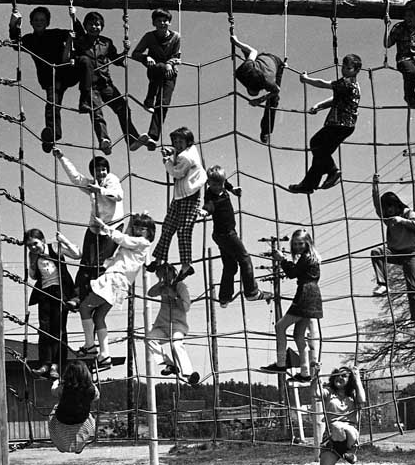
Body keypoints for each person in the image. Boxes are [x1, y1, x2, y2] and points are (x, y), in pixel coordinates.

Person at [77, 213, 156, 369]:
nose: (139, 230)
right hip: (121, 285)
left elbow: (122, 239)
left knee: (84, 308)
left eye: (143, 228)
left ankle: (90, 345)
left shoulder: (142, 242)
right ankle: (104, 355)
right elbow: (125, 239)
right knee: (99, 317)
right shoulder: (136, 244)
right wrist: (130, 223)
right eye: (137, 227)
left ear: (149, 232)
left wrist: (104, 227)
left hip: (115, 280)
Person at [51, 148, 124, 308]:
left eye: (103, 169)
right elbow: (76, 178)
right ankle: (77, 297)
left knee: (100, 263)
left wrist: (101, 191)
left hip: (112, 226)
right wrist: (62, 157)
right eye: (97, 170)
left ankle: (95, 294)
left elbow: (119, 195)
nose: (101, 173)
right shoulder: (92, 184)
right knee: (86, 262)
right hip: (95, 226)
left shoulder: (112, 180)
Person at [9, 6, 83, 149]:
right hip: (49, 79)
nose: (39, 23)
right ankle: (51, 135)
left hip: (66, 72)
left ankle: (54, 133)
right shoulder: (29, 40)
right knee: (52, 104)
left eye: (42, 20)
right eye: (36, 20)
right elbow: (15, 44)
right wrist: (13, 25)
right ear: (31, 22)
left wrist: (74, 18)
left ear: (47, 23)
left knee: (53, 102)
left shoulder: (55, 34)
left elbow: (79, 34)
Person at [289, 54, 362, 194]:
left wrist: (306, 79)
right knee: (321, 155)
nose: (344, 70)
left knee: (315, 143)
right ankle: (308, 185)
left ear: (357, 70)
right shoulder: (355, 85)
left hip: (339, 124)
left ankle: (333, 171)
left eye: (348, 68)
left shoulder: (345, 83)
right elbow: (335, 99)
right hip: (347, 126)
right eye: (343, 67)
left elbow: (323, 84)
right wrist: (319, 106)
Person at [201, 165, 272, 308]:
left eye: (220, 184)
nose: (218, 188)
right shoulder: (210, 195)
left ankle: (224, 297)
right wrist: (205, 211)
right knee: (245, 259)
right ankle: (251, 292)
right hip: (227, 235)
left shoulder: (223, 186)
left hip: (221, 235)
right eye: (214, 185)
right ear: (208, 183)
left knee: (230, 266)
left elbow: (226, 184)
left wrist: (232, 189)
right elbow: (209, 205)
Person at [260, 229, 322, 383]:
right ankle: (305, 372)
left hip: (305, 295)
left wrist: (282, 260)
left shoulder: (307, 258)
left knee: (280, 327)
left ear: (307, 243)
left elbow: (293, 273)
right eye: (295, 244)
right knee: (298, 335)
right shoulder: (311, 258)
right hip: (313, 296)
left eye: (300, 243)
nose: (298, 247)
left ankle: (281, 363)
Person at [146, 127, 206, 283]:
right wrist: (172, 151)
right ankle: (158, 259)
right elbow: (178, 152)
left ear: (188, 142)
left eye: (181, 141)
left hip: (190, 196)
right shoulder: (188, 150)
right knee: (167, 227)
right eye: (175, 141)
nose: (177, 144)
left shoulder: (186, 157)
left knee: (184, 231)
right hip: (180, 195)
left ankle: (186, 266)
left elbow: (176, 173)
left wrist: (167, 160)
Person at [74, 11, 140, 155]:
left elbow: (116, 59)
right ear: (85, 26)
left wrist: (125, 52)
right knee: (96, 112)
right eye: (90, 24)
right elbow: (75, 25)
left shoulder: (106, 42)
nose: (94, 27)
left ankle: (132, 139)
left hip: (106, 83)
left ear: (102, 27)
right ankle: (104, 140)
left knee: (123, 107)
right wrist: (73, 15)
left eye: (97, 24)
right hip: (90, 85)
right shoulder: (79, 41)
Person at [370, 174, 415, 335]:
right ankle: (383, 284)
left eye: (390, 207)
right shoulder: (387, 218)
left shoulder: (407, 213)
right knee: (376, 252)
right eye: (386, 208)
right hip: (394, 252)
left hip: (411, 254)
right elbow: (376, 205)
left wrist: (402, 221)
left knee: (413, 287)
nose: (388, 211)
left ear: (396, 205)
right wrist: (375, 186)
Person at [25, 228, 82, 379]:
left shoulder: (55, 248)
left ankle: (56, 365)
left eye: (35, 243)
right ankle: (45, 363)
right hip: (44, 292)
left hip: (60, 290)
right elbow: (33, 276)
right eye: (29, 245)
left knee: (58, 329)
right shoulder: (33, 255)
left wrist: (64, 241)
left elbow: (77, 254)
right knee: (44, 330)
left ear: (43, 241)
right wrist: (32, 262)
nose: (33, 247)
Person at [128, 8, 182, 152]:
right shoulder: (149, 37)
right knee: (160, 67)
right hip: (154, 70)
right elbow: (135, 53)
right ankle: (149, 99)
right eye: (159, 21)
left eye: (165, 20)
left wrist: (170, 63)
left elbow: (177, 56)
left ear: (169, 22)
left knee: (163, 103)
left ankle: (152, 136)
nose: (162, 23)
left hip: (169, 73)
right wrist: (147, 57)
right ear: (154, 23)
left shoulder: (176, 37)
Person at [146, 264, 200, 385]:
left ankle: (189, 373)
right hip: (162, 324)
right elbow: (150, 293)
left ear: (172, 273)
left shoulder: (180, 286)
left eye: (166, 274)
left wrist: (174, 296)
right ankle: (169, 364)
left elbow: (186, 307)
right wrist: (161, 284)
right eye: (161, 276)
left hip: (177, 325)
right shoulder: (163, 287)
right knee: (149, 338)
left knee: (176, 344)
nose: (164, 277)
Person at [230, 35, 284, 144]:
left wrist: (260, 100)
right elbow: (253, 51)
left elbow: (276, 90)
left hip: (276, 63)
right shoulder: (242, 72)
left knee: (273, 99)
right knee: (249, 55)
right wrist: (236, 42)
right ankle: (242, 49)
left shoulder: (267, 81)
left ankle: (266, 131)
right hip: (259, 60)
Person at [48, 360, 100, 453]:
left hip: (62, 420)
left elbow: (54, 392)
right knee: (89, 416)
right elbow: (96, 397)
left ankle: (62, 446)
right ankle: (79, 446)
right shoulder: (91, 389)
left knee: (56, 407)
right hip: (82, 422)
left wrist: (55, 382)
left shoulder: (64, 388)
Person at [318, 366, 366, 465]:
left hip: (350, 435)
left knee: (347, 430)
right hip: (332, 435)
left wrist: (357, 378)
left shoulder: (353, 394)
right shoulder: (329, 392)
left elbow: (362, 400)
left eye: (344, 376)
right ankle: (345, 453)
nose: (339, 377)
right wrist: (316, 376)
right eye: (337, 375)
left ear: (350, 380)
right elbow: (316, 393)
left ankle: (346, 451)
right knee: (336, 427)